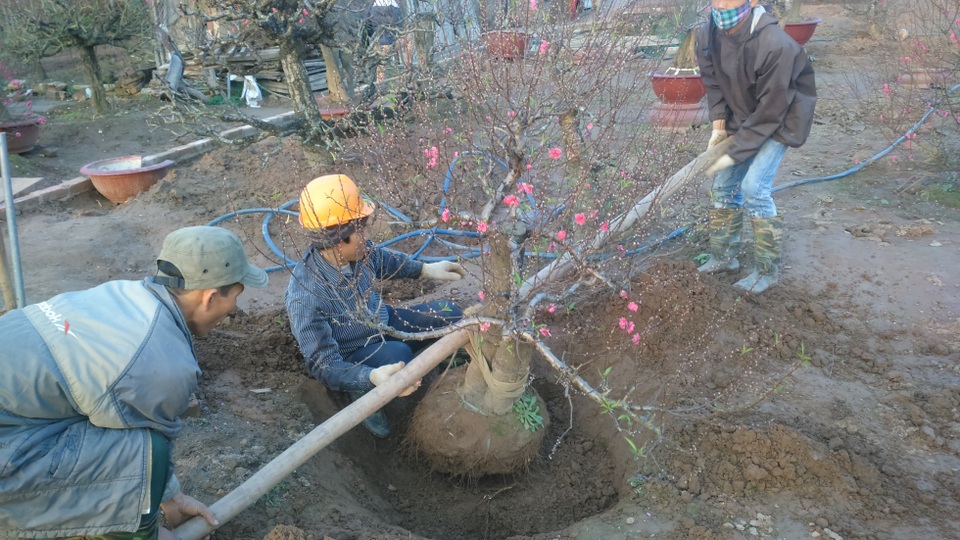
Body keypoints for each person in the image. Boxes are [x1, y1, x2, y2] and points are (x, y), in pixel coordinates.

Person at [0, 226, 268, 539]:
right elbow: (147, 459)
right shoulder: (164, 362)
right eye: (235, 296)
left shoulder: (122, 294)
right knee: (147, 452)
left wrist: (173, 500)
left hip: (16, 421)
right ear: (209, 297)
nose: (234, 309)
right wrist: (152, 530)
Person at [285, 174, 466, 438]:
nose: (367, 236)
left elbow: (382, 260)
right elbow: (324, 365)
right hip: (355, 352)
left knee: (451, 314)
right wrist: (369, 376)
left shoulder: (357, 251)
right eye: (362, 229)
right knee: (399, 356)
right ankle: (361, 393)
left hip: (382, 320)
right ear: (339, 238)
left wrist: (426, 269)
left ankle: (447, 363)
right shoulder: (306, 295)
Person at [696, 0, 816, 294]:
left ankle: (766, 272)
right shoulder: (706, 33)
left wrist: (732, 155)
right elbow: (713, 84)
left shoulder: (776, 45)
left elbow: (770, 112)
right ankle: (724, 258)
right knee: (723, 185)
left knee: (753, 188)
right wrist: (719, 125)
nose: (722, 4)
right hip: (743, 114)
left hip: (781, 120)